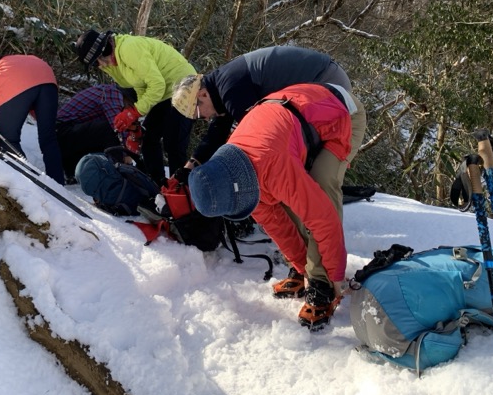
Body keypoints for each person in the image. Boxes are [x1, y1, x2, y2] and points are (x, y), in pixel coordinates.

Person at [187, 83, 366, 331]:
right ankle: (312, 273)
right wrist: (303, 268)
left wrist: (333, 276)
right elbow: (276, 224)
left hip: (340, 112)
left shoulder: (271, 165)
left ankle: (321, 280)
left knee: (321, 186)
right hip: (295, 118)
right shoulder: (233, 175)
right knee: (289, 199)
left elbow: (323, 219)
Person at [171, 45, 352, 169]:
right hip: (325, 77)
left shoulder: (231, 89)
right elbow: (217, 132)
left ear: (202, 94)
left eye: (197, 113)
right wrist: (192, 165)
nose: (203, 118)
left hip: (327, 82)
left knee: (297, 155)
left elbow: (256, 139)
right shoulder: (222, 85)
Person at [73, 28, 196, 183]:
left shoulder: (129, 49)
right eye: (94, 64)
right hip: (165, 92)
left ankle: (181, 192)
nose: (99, 66)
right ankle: (158, 185)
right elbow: (141, 86)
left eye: (97, 60)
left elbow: (156, 84)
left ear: (104, 49)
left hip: (185, 84)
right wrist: (134, 121)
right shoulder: (111, 65)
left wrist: (135, 112)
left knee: (174, 142)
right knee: (148, 139)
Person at [0, 54, 64, 185]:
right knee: (48, 138)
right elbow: (32, 96)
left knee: (8, 140)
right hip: (45, 74)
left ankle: (31, 185)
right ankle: (58, 184)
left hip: (15, 78)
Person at [55, 84, 140, 182]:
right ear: (127, 98)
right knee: (109, 130)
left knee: (105, 135)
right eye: (130, 105)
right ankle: (120, 173)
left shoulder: (109, 91)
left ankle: (73, 170)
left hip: (67, 135)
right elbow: (118, 127)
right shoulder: (113, 95)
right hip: (61, 133)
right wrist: (127, 155)